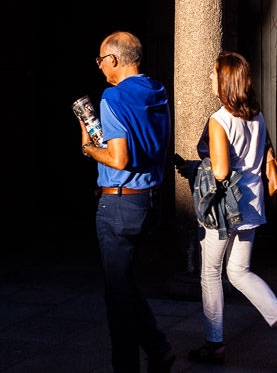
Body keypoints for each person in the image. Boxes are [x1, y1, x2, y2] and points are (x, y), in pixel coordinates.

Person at [177, 51, 277, 366]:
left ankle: (214, 344)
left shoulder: (219, 119)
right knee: (239, 271)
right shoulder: (256, 116)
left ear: (225, 80)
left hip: (223, 208)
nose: (210, 78)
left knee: (211, 273)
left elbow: (220, 172)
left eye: (213, 73)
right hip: (250, 204)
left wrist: (198, 168)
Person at [80, 31, 174, 373]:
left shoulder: (112, 97)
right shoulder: (156, 90)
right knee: (124, 281)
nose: (100, 65)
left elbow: (118, 159)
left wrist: (89, 147)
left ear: (115, 60)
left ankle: (128, 367)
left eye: (101, 59)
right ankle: (158, 348)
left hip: (119, 204)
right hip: (150, 200)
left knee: (117, 295)